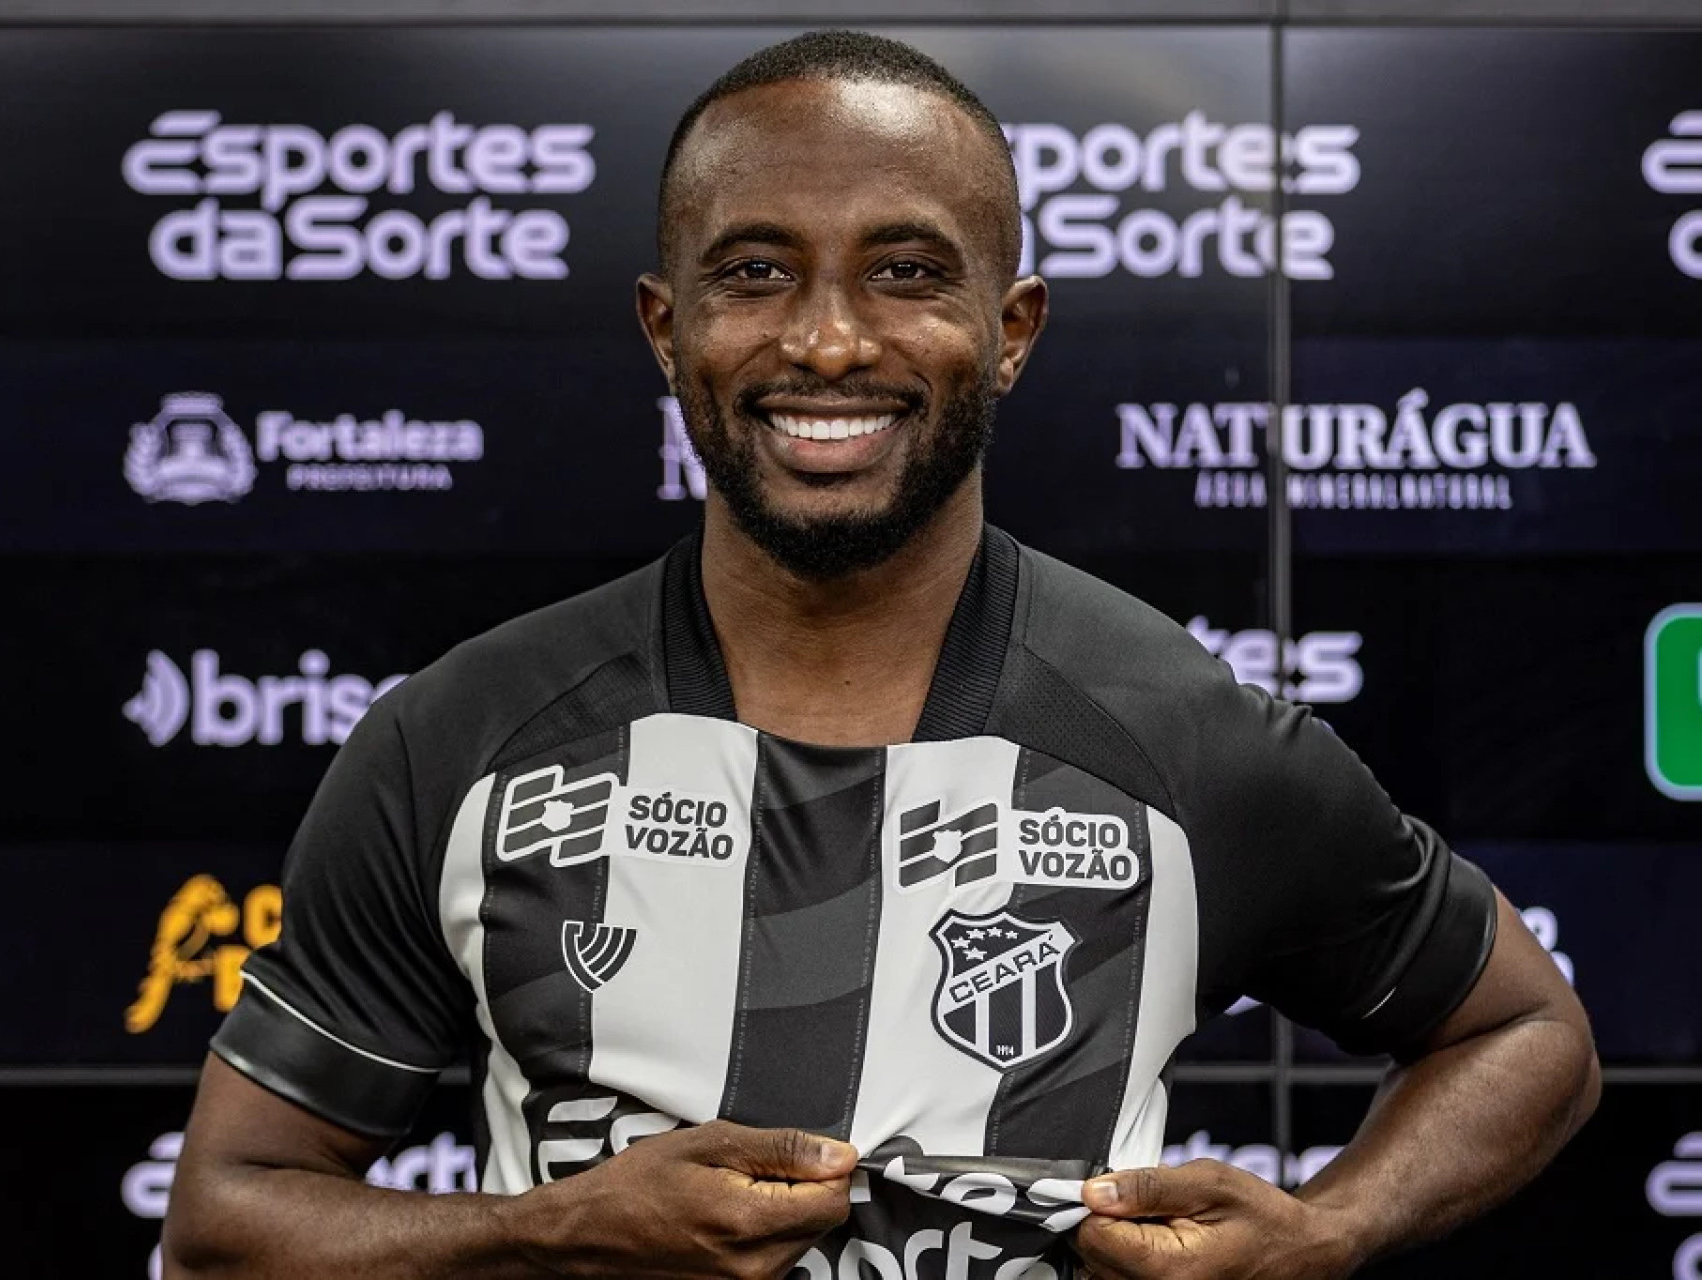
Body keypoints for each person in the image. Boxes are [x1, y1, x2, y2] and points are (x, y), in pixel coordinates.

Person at [161, 30, 1599, 1280]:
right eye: (756, 273)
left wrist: (1334, 1228)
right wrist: (538, 1236)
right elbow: (226, 1224)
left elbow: (1527, 1034)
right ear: (667, 330)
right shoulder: (462, 736)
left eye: (908, 271)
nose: (831, 341)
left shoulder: (1184, 736)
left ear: (1012, 328)